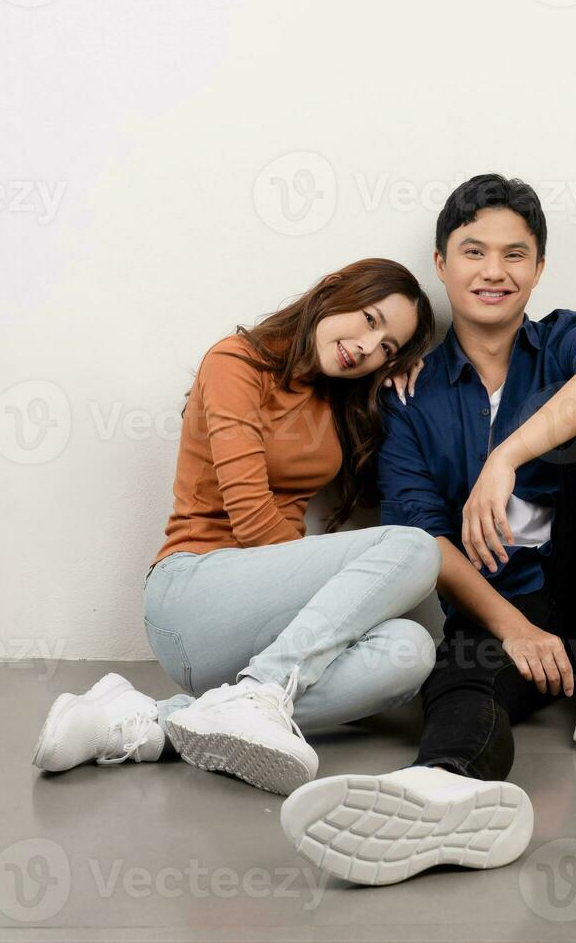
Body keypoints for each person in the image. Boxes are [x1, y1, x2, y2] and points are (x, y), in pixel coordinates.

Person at [279, 175, 576, 884]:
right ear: (441, 263)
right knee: (456, 677)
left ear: (539, 268)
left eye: (516, 254)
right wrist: (513, 628)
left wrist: (507, 456)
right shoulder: (408, 398)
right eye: (474, 252)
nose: (495, 272)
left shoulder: (564, 342)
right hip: (497, 607)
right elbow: (421, 540)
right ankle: (442, 792)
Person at [32, 258, 441, 796]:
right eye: (369, 320)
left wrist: (395, 389)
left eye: (387, 348)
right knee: (414, 549)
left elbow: (371, 496)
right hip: (193, 593)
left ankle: (148, 722)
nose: (368, 347)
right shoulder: (236, 362)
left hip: (258, 628)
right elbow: (249, 518)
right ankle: (261, 693)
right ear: (332, 291)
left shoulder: (337, 401)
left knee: (411, 649)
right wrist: (320, 595)